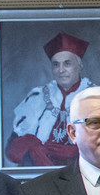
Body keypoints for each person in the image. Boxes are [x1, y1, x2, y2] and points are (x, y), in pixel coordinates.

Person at [7, 32, 95, 167]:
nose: (61, 70)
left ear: (79, 65)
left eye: (67, 64)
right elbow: (10, 151)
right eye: (56, 65)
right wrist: (31, 145)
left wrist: (77, 151)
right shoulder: (38, 97)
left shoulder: (95, 96)